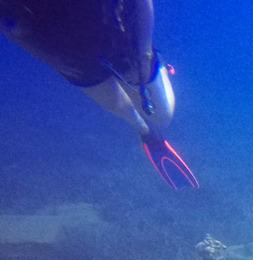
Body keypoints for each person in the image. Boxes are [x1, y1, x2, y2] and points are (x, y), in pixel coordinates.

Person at [0, 0, 198, 189]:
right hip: (70, 55)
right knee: (128, 111)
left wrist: (144, 52)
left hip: (122, 42)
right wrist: (56, 61)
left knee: (163, 117)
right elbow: (13, 28)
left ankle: (157, 74)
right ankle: (148, 134)